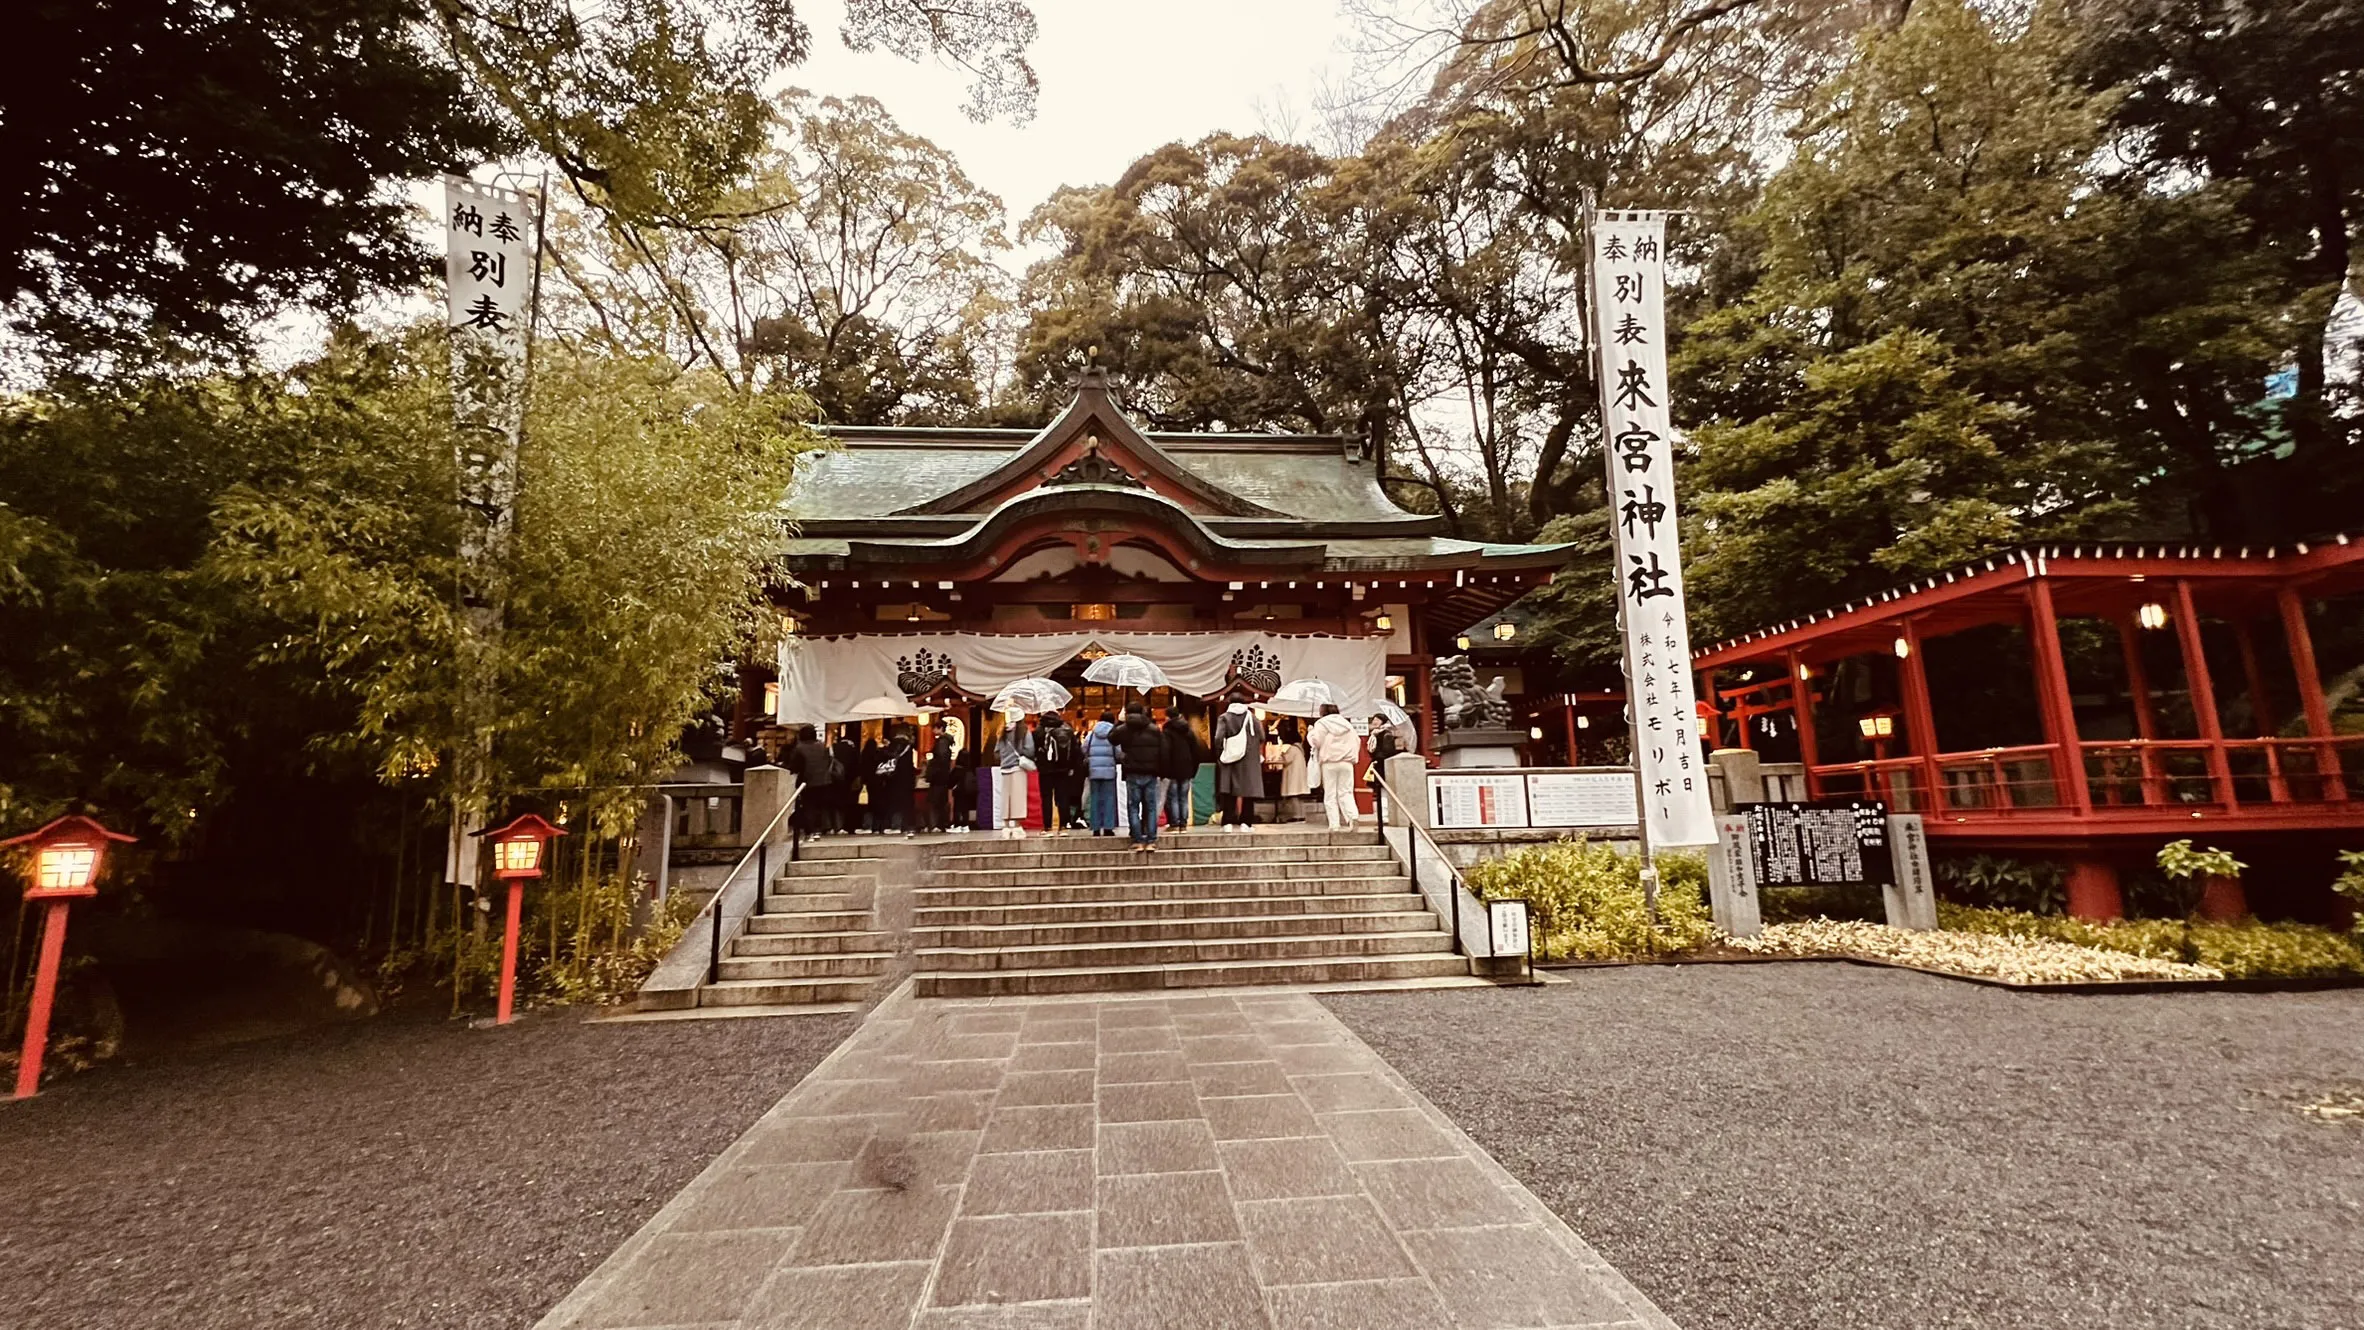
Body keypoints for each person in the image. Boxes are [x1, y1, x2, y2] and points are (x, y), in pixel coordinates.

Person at [1112, 703, 1165, 852]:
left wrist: (1120, 721)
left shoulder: (1124, 729)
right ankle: (1151, 840)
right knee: (1151, 807)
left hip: (1132, 771)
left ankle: (1137, 840)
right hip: (1151, 771)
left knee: (1133, 806)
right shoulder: (1154, 729)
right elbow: (1162, 750)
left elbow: (1111, 738)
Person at [1213, 692, 1263, 832]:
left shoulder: (1224, 718)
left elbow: (1218, 738)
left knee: (1229, 790)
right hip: (1249, 760)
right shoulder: (1252, 718)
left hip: (1230, 758)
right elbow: (1262, 736)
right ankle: (1246, 823)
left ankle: (1228, 822)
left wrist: (1221, 752)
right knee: (1248, 791)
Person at [1308, 704, 1363, 830]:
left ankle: (1334, 824)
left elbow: (1316, 742)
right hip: (1347, 762)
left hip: (1329, 762)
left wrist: (1310, 733)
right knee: (1346, 792)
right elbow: (1357, 741)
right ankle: (1352, 817)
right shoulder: (1347, 724)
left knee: (1330, 794)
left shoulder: (1321, 723)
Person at [1037, 712, 1082, 836]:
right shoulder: (1067, 729)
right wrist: (1072, 767)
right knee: (1063, 797)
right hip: (1063, 770)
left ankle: (1048, 827)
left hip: (1046, 770)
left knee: (1046, 798)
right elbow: (1076, 750)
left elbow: (1033, 750)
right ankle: (1063, 827)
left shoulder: (1040, 731)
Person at [785, 724, 835, 836]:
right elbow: (828, 761)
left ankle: (811, 828)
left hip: (808, 781)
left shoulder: (799, 748)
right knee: (821, 806)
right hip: (824, 780)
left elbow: (794, 766)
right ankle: (824, 827)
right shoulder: (822, 746)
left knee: (809, 805)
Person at [994, 709, 1035, 838]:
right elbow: (1030, 750)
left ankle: (1005, 826)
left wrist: (1004, 757)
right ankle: (1016, 826)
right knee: (1018, 797)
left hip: (1005, 768)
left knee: (1005, 798)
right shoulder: (1023, 732)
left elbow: (996, 752)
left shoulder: (1002, 733)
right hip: (1018, 767)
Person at [1159, 706, 1201, 832]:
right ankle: (1183, 823)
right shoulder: (1188, 731)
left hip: (1172, 768)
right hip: (1187, 768)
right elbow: (1196, 751)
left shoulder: (1166, 732)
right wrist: (1194, 768)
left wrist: (1163, 770)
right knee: (1183, 796)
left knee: (1173, 797)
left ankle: (1175, 822)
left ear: (1168, 716)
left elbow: (1165, 752)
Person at [875, 726, 919, 835]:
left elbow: (890, 756)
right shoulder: (909, 746)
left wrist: (883, 748)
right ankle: (908, 825)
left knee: (895, 803)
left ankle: (895, 825)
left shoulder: (895, 744)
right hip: (907, 779)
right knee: (906, 803)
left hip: (895, 778)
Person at [1083, 710, 1119, 836]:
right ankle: (1108, 827)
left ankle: (1095, 827)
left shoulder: (1091, 734)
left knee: (1095, 798)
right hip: (1109, 770)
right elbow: (1118, 753)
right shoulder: (1114, 734)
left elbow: (1084, 749)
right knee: (1109, 798)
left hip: (1094, 771)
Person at [1275, 716, 1310, 821]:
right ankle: (1301, 815)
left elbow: (1286, 760)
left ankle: (1296, 816)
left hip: (1293, 778)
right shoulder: (1300, 749)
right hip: (1299, 777)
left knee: (1294, 797)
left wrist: (1282, 754)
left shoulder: (1292, 749)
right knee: (1299, 798)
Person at [921, 725, 954, 832]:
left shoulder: (942, 742)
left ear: (940, 728)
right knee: (941, 801)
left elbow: (940, 759)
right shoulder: (947, 742)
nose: (933, 730)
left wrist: (931, 766)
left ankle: (935, 825)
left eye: (935, 728)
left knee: (934, 802)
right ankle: (942, 824)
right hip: (944, 777)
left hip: (938, 777)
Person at [829, 729, 859, 833]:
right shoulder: (853, 750)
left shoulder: (834, 748)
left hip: (835, 779)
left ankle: (837, 826)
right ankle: (848, 826)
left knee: (835, 804)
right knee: (849, 804)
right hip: (849, 782)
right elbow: (857, 767)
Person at [951, 747, 977, 832]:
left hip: (959, 792)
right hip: (968, 792)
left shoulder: (957, 769)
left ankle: (957, 825)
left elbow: (951, 781)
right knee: (966, 809)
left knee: (957, 808)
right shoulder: (969, 769)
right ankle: (965, 825)